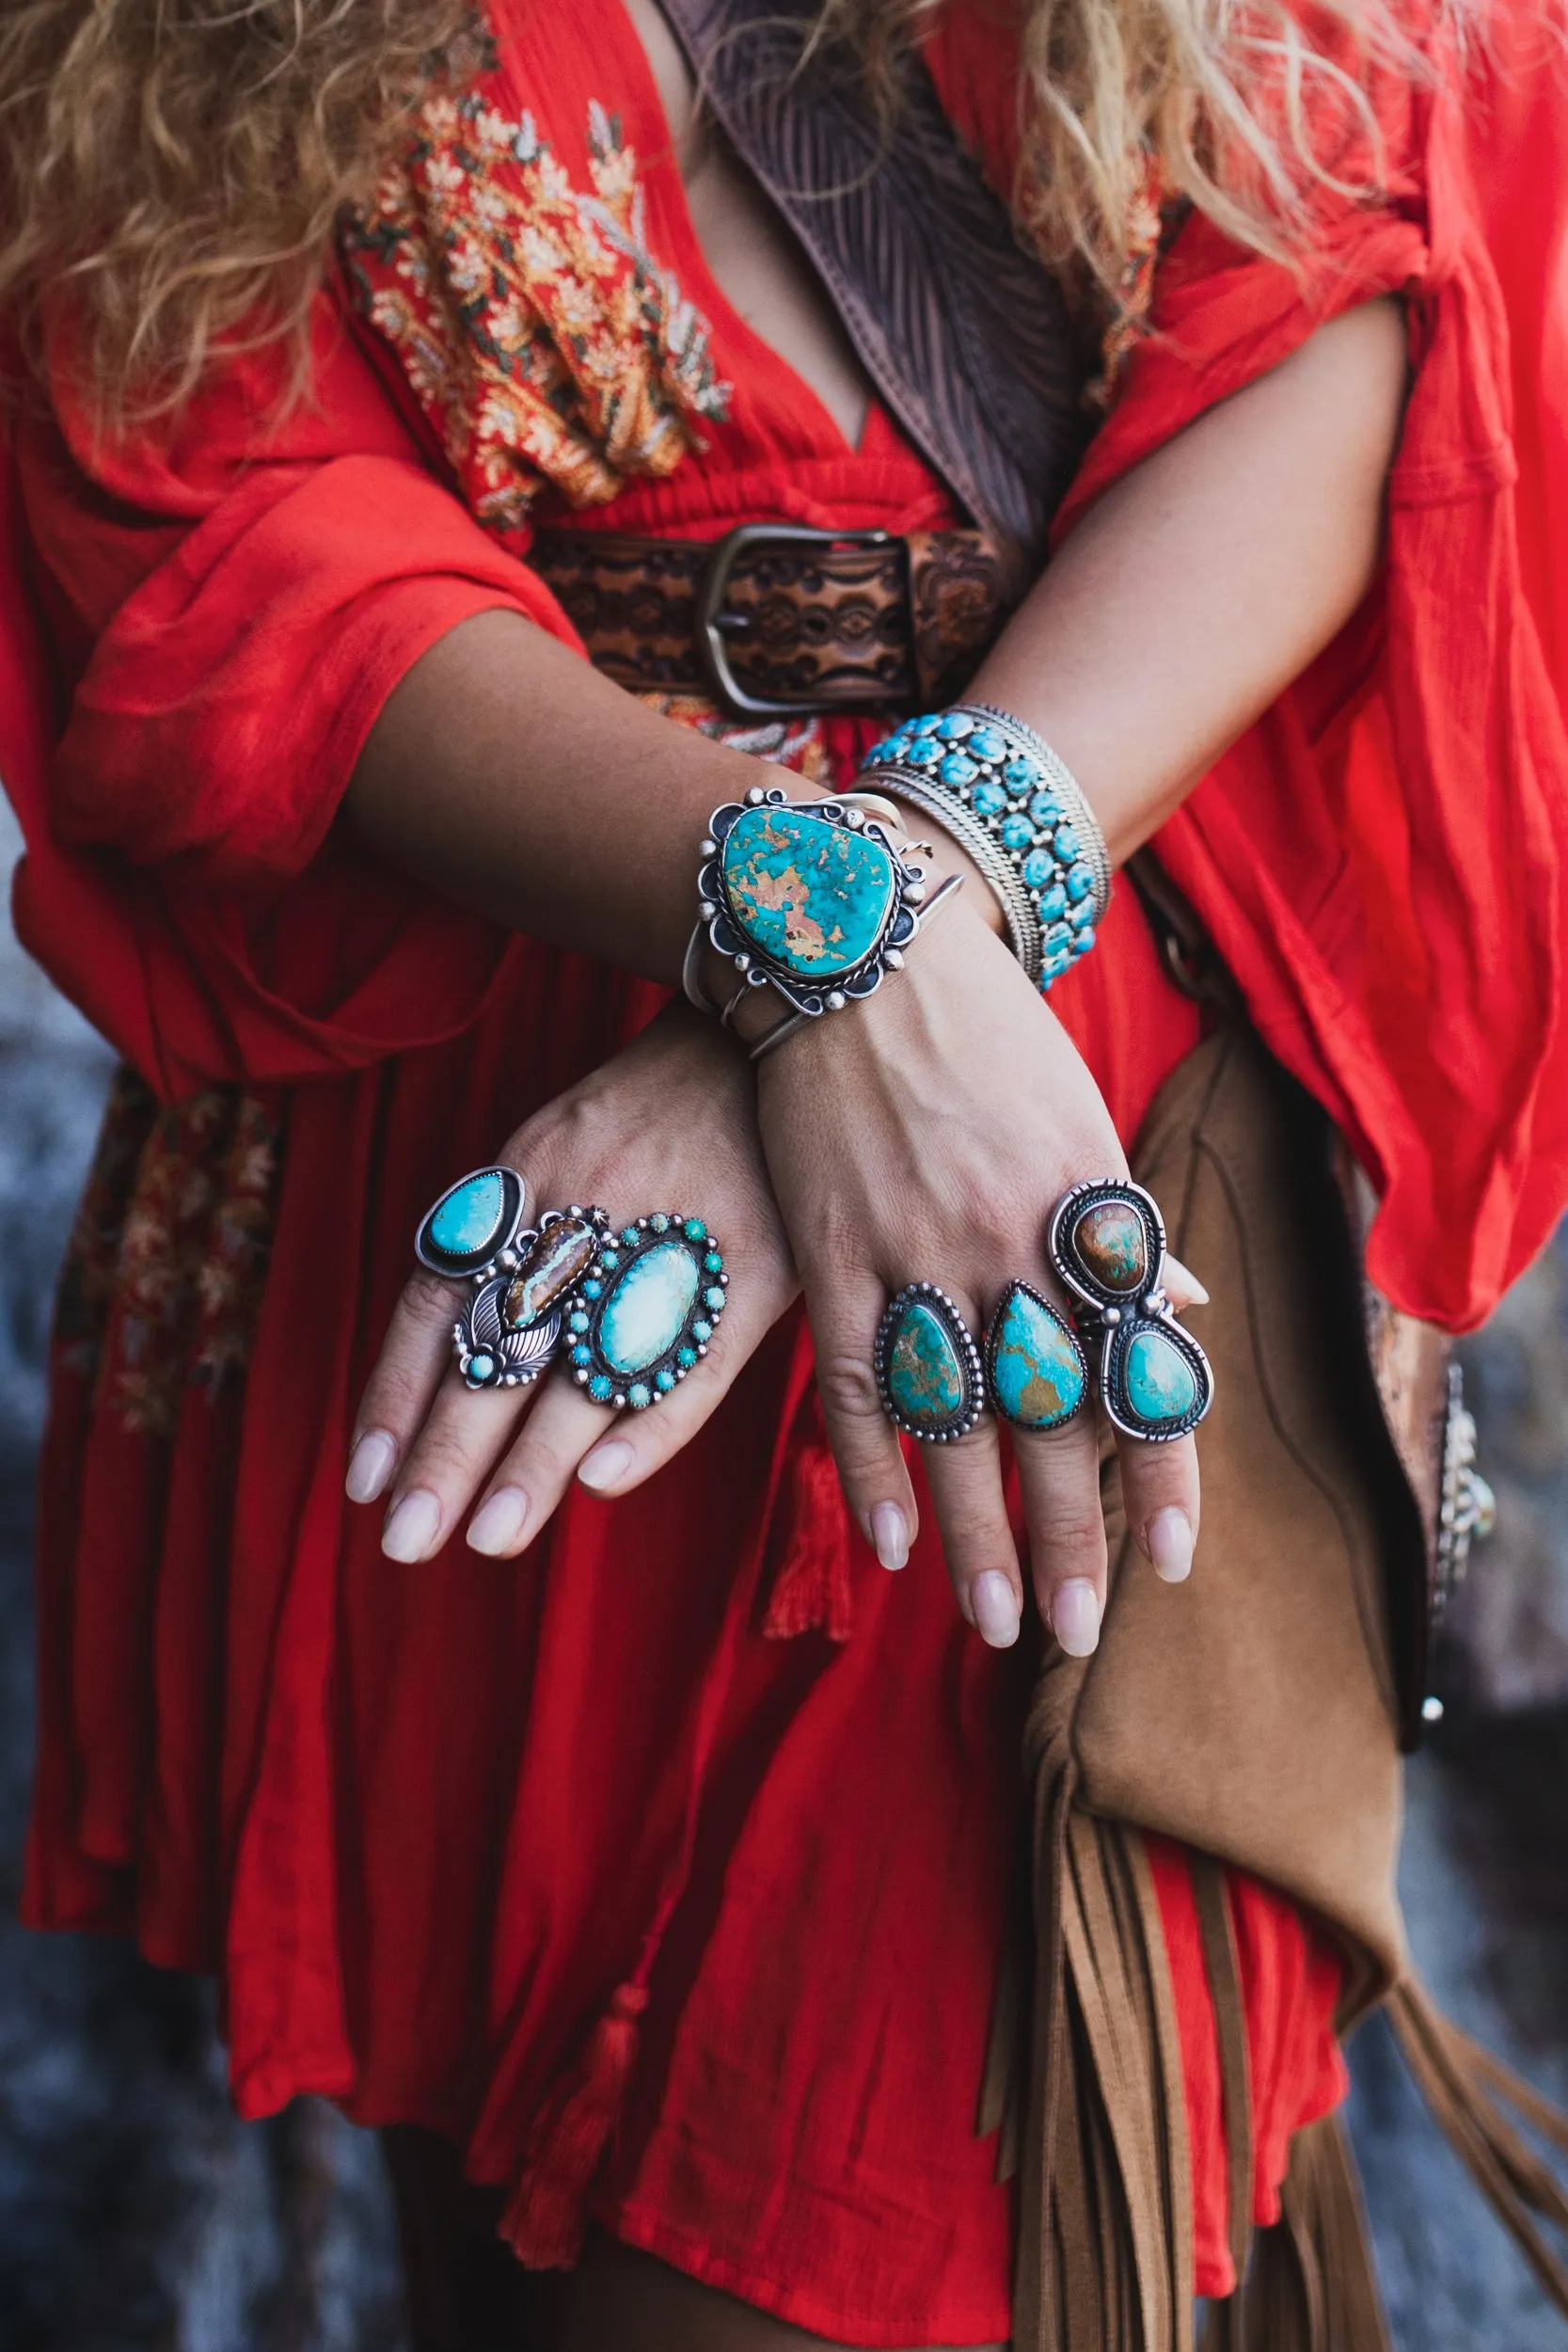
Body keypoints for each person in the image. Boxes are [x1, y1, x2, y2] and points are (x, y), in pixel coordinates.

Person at [3, 0, 1567, 2344]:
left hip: (1022, 1152)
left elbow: (1378, 252)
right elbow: (210, 530)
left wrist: (879, 941)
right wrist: (818, 951)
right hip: (488, 1139)